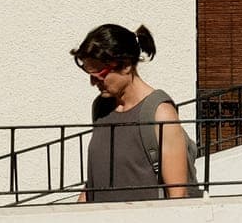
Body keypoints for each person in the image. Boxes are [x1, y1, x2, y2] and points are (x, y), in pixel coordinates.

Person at [72, 23, 199, 202]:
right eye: (89, 75)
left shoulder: (160, 113)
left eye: (99, 74)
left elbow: (178, 195)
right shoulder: (101, 107)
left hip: (146, 220)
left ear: (126, 65)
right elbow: (96, 181)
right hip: (100, 219)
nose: (93, 83)